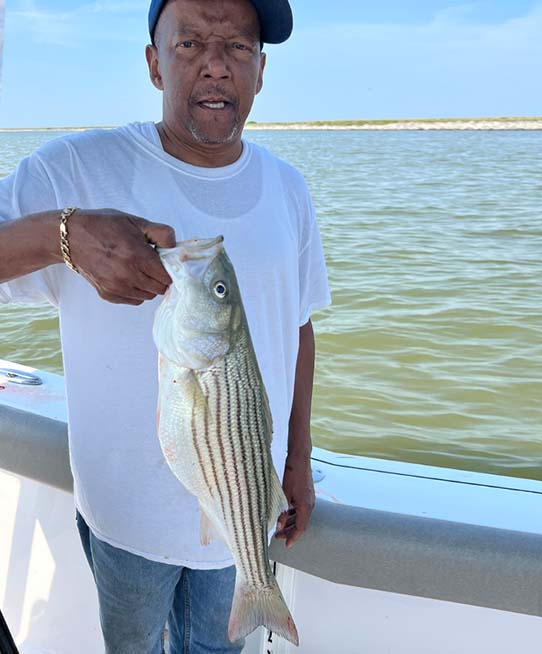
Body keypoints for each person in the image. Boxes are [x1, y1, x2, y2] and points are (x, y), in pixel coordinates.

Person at [0, 0, 331, 651]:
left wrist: (297, 460)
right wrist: (64, 235)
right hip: (122, 519)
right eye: (190, 46)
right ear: (154, 64)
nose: (215, 65)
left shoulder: (288, 188)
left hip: (243, 506)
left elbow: (297, 326)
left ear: (261, 71)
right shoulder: (75, 169)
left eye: (237, 47)